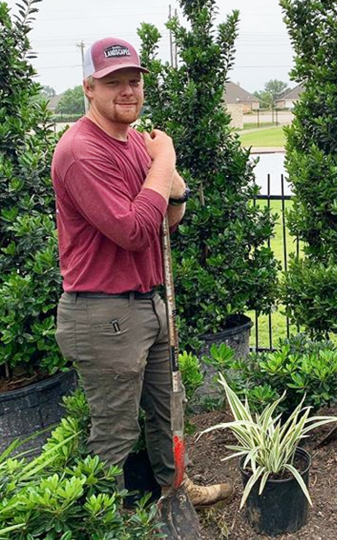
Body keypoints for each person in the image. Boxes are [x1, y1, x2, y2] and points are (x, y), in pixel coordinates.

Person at [51, 37, 233, 508]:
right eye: (114, 82)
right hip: (103, 311)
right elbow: (133, 231)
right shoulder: (79, 152)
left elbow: (164, 222)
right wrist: (167, 159)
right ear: (90, 87)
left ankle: (176, 492)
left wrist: (176, 189)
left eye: (134, 80)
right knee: (114, 433)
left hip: (148, 301)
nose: (128, 90)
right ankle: (103, 521)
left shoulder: (134, 143)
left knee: (165, 408)